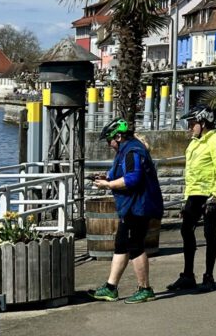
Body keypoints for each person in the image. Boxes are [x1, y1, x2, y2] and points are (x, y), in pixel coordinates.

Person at [89, 119, 163, 303]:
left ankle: (145, 288)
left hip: (138, 206)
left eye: (110, 140)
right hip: (132, 206)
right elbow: (123, 172)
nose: (109, 144)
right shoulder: (126, 150)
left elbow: (132, 179)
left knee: (135, 246)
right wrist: (107, 176)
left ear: (119, 137)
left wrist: (107, 185)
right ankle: (111, 287)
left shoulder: (132, 151)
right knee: (121, 244)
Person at [168, 104, 216, 292]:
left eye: (192, 123)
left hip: (209, 194)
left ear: (203, 122)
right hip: (194, 194)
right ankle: (188, 275)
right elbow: (191, 174)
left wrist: (215, 196)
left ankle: (208, 276)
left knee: (209, 234)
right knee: (186, 231)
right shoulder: (194, 143)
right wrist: (186, 200)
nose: (189, 127)